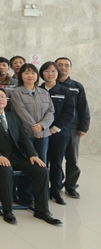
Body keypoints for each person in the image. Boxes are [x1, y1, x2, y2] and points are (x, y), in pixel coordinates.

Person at [0, 88, 61, 225]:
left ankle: (42, 210)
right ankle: (8, 210)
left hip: (16, 156)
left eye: (2, 96)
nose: (0, 99)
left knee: (41, 170)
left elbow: (23, 138)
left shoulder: (13, 117)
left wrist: (33, 155)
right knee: (6, 170)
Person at [9, 63, 55, 206]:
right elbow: (21, 112)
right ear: (21, 76)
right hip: (25, 135)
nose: (30, 76)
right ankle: (25, 194)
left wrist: (42, 126)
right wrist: (35, 128)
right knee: (27, 163)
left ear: (37, 75)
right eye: (26, 73)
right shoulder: (17, 92)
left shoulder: (43, 92)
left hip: (43, 135)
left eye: (33, 73)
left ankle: (39, 195)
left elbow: (51, 111)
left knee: (41, 164)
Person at [39, 61, 75, 205]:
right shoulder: (37, 90)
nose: (50, 74)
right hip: (40, 132)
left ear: (58, 73)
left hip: (59, 133)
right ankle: (41, 191)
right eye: (47, 71)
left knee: (56, 162)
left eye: (53, 71)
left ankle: (56, 191)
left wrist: (56, 128)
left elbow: (69, 112)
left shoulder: (65, 91)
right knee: (41, 162)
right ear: (41, 74)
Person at [56, 56, 91, 199]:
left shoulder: (77, 86)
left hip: (73, 127)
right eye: (60, 65)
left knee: (72, 159)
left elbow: (83, 107)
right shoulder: (50, 84)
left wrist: (84, 126)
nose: (63, 68)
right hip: (54, 128)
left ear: (70, 68)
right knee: (55, 159)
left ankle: (71, 186)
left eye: (66, 65)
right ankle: (56, 185)